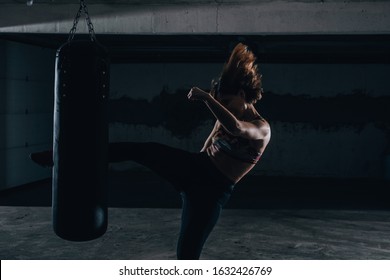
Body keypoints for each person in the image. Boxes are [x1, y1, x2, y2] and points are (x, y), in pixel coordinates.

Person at [30, 43, 271, 259]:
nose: (224, 107)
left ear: (242, 95)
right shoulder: (226, 115)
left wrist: (207, 99)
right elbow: (210, 141)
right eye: (221, 103)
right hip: (195, 167)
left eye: (227, 103)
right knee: (141, 150)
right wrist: (186, 168)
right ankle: (60, 156)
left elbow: (237, 128)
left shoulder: (262, 129)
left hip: (211, 193)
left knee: (187, 253)